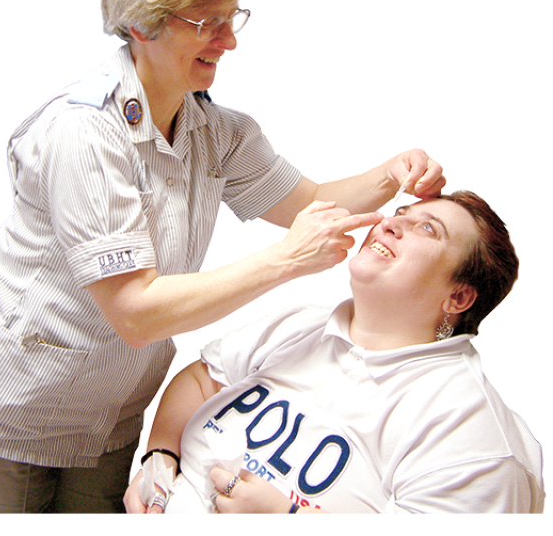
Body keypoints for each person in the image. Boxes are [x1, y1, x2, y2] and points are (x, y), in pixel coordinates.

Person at [0, 0, 446, 514]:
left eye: (234, 17)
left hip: (111, 409)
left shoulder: (218, 131)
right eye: (206, 22)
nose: (229, 41)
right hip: (12, 398)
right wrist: (284, 261)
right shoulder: (84, 131)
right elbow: (136, 312)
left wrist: (392, 174)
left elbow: (310, 203)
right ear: (140, 23)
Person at [125, 190, 545, 514]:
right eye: (400, 213)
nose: (390, 224)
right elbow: (202, 379)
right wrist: (161, 454)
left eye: (428, 230)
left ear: (459, 297)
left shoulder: (474, 434)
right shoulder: (300, 323)